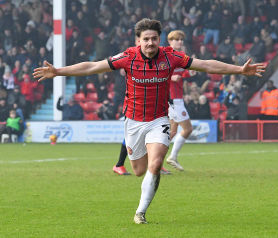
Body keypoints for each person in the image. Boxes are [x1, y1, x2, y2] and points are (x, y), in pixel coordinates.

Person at [33, 18, 265, 224]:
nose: (150, 43)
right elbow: (93, 67)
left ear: (159, 39)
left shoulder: (171, 56)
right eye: (146, 39)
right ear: (138, 40)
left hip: (159, 120)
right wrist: (59, 71)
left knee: (155, 165)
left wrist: (239, 70)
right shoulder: (128, 57)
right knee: (138, 170)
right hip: (133, 122)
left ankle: (140, 212)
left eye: (154, 38)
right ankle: (139, 179)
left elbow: (205, 64)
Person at [165, 30, 193, 171]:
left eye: (181, 39)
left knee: (172, 132)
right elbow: (157, 74)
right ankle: (172, 157)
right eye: (177, 39)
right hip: (173, 100)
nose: (180, 42)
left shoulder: (181, 57)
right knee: (187, 129)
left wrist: (191, 72)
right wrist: (170, 78)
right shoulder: (166, 56)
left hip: (177, 98)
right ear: (170, 41)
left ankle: (154, 158)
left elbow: (184, 73)